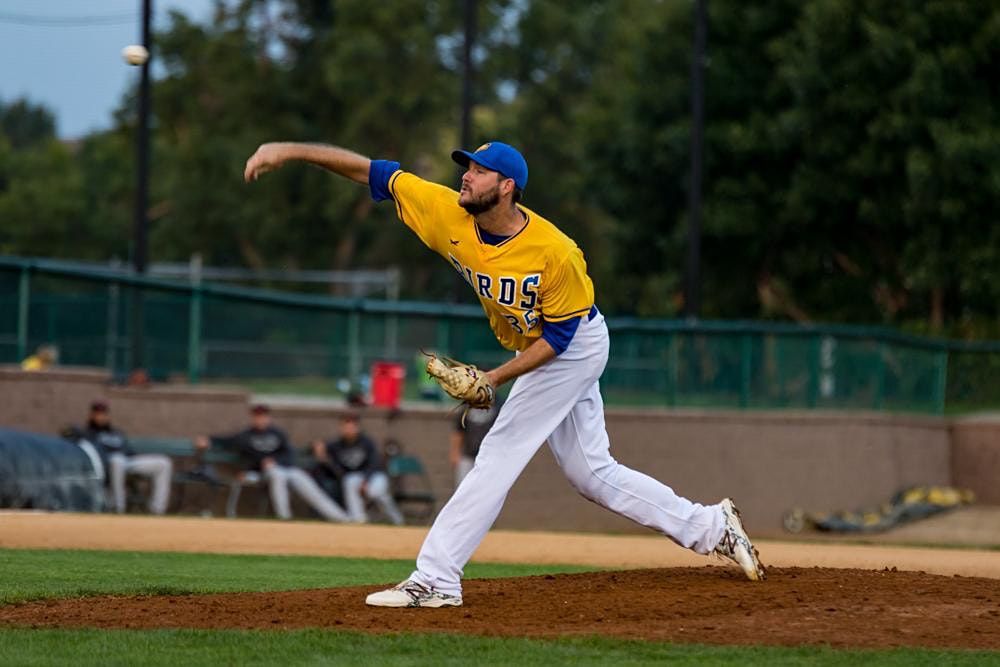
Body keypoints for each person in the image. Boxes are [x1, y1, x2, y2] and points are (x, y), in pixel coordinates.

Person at [244, 139, 766, 609]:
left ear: (506, 186)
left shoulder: (555, 252)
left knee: (498, 451)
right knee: (592, 474)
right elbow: (375, 173)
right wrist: (288, 151)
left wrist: (493, 378)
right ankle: (711, 526)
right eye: (466, 167)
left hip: (574, 344)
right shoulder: (446, 211)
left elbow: (558, 340)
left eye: (478, 170)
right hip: (544, 345)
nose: (466, 175)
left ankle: (437, 578)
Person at [194, 404, 348, 522]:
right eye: (257, 416)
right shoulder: (246, 436)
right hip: (263, 473)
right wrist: (208, 440)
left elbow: (290, 454)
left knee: (302, 479)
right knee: (276, 474)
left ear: (268, 417)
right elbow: (226, 440)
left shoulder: (278, 434)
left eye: (263, 416)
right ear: (253, 417)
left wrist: (275, 460)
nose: (260, 419)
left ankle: (341, 518)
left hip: (286, 469)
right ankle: (284, 517)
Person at [311, 412, 404, 526]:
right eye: (346, 426)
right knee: (349, 481)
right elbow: (314, 448)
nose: (349, 429)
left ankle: (397, 520)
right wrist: (318, 447)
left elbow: (374, 464)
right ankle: (359, 519)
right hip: (355, 478)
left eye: (352, 426)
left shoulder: (367, 442)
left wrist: (365, 481)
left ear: (357, 427)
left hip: (374, 476)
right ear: (341, 428)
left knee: (376, 493)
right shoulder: (336, 444)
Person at [82, 400, 172, 515]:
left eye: (104, 413)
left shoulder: (116, 432)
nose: (101, 417)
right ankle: (118, 508)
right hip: (108, 465)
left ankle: (158, 510)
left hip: (127, 462)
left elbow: (128, 451)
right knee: (116, 460)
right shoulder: (88, 433)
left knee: (164, 463)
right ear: (92, 415)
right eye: (98, 413)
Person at [450, 399, 502, 489]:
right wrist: (455, 451)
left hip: (489, 457)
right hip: (468, 455)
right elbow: (459, 430)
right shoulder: (469, 402)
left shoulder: (498, 405)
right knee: (463, 489)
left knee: (487, 489)